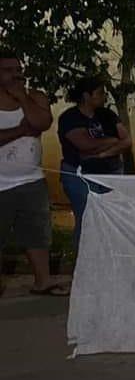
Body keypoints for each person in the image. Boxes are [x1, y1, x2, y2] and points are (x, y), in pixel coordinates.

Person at [0, 50, 67, 296]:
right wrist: (19, 132)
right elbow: (27, 129)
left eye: (18, 70)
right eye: (8, 70)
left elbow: (42, 123)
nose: (17, 75)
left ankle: (43, 281)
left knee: (37, 234)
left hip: (31, 180)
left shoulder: (35, 96)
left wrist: (22, 97)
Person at [58, 76, 132, 249]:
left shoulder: (107, 115)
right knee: (87, 220)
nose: (104, 97)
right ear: (86, 96)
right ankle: (83, 264)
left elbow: (127, 141)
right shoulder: (70, 118)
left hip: (111, 173)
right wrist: (113, 140)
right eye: (100, 93)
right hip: (80, 176)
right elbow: (86, 146)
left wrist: (103, 153)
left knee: (112, 220)